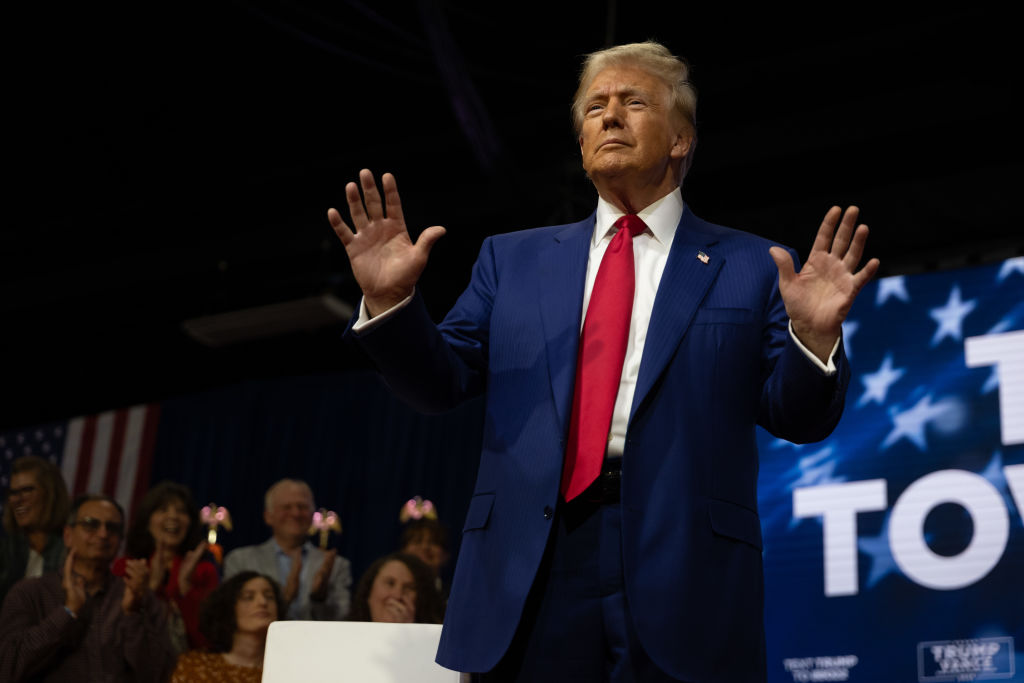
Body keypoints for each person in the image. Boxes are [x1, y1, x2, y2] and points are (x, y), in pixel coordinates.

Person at [329, 39, 879, 683]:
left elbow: (798, 416)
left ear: (680, 139)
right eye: (594, 107)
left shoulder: (751, 266)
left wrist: (812, 340)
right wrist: (390, 303)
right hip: (533, 563)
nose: (609, 116)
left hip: (684, 568)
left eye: (632, 102)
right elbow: (439, 382)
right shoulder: (512, 261)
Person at [0, 493, 175, 682]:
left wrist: (132, 614)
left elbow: (159, 676)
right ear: (68, 535)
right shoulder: (30, 593)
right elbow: (8, 667)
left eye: (113, 528)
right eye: (91, 524)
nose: (103, 534)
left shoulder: (138, 596)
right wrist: (67, 612)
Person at [223, 478, 352, 620]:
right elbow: (229, 614)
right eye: (286, 507)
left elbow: (343, 619)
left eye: (302, 507)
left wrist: (319, 598)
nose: (296, 513)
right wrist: (285, 598)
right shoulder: (241, 560)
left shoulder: (336, 566)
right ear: (268, 516)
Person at [115, 480, 218, 651]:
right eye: (163, 510)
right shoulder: (127, 567)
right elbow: (117, 632)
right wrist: (151, 586)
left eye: (181, 511)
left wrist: (185, 587)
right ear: (147, 520)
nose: (173, 516)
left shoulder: (204, 571)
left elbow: (206, 640)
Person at [171, 571, 287, 682]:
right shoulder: (195, 666)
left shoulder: (289, 670)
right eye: (248, 597)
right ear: (228, 609)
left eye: (269, 597)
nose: (262, 602)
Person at [0, 455, 70, 604]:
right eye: (13, 493)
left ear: (50, 494)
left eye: (27, 490)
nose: (18, 499)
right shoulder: (6, 551)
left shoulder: (70, 549)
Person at [347, 552, 445, 624]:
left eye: (409, 588)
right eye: (390, 583)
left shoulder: (436, 642)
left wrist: (408, 632)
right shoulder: (342, 636)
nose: (397, 595)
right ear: (369, 591)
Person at [399, 517, 450, 599]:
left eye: (433, 542)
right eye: (417, 541)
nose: (425, 547)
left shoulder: (455, 596)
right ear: (403, 551)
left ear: (445, 555)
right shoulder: (393, 594)